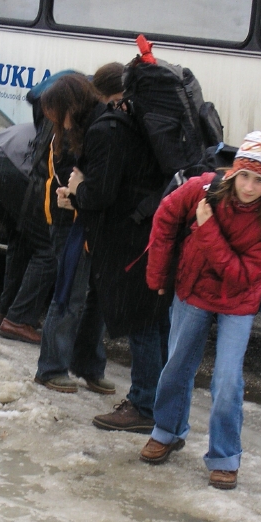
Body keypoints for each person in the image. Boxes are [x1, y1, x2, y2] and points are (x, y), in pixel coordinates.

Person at [141, 132, 261, 489]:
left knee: (226, 380)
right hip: (192, 290)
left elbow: (238, 276)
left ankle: (224, 456)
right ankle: (167, 431)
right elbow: (165, 216)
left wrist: (207, 229)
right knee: (176, 365)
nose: (249, 187)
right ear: (234, 171)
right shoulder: (204, 188)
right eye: (245, 176)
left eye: (260, 180)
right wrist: (159, 274)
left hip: (238, 301)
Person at [40, 73, 170, 431]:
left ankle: (144, 405)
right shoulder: (116, 119)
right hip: (149, 229)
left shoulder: (103, 131)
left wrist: (78, 193)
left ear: (71, 107)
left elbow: (103, 194)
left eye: (58, 115)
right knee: (156, 320)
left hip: (130, 236)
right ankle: (160, 401)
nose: (58, 124)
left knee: (140, 321)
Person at [34, 63, 124, 394]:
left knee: (96, 298)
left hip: (92, 221)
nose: (59, 121)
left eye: (60, 114)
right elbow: (65, 177)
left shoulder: (97, 126)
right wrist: (74, 191)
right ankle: (51, 367)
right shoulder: (67, 133)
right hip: (67, 224)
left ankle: (88, 364)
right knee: (69, 294)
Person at [0, 123, 57, 345]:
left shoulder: (49, 120)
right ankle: (19, 319)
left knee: (20, 239)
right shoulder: (76, 127)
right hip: (9, 166)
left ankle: (6, 312)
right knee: (48, 248)